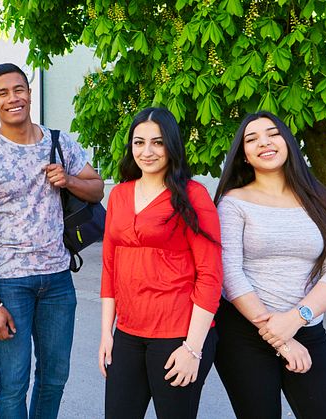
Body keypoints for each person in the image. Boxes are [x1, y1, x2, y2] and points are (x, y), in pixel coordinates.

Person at [0, 63, 104, 418]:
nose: (13, 98)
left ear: (29, 93)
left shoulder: (59, 141)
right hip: (10, 284)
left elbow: (96, 188)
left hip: (58, 280)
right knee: (14, 382)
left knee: (55, 378)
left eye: (18, 89)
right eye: (3, 93)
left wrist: (67, 180)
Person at [213, 111, 326, 419]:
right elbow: (230, 275)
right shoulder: (233, 203)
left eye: (272, 133)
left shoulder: (321, 201)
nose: (264, 142)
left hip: (306, 326)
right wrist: (281, 337)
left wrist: (297, 318)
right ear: (244, 155)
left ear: (288, 142)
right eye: (252, 139)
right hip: (244, 334)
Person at [98, 107, 222, 418]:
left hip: (177, 335)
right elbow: (110, 266)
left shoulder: (193, 195)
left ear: (172, 145)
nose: (147, 151)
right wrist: (105, 333)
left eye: (157, 142)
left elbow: (210, 274)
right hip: (127, 334)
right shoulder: (119, 195)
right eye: (139, 142)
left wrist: (193, 349)